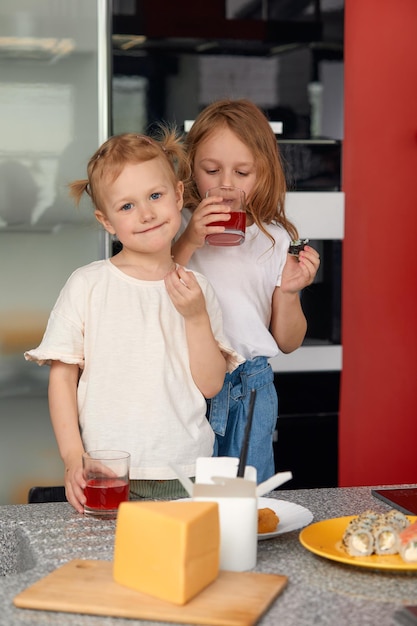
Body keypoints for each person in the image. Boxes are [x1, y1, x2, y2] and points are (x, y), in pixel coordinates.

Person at [25, 130, 243, 513]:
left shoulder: (199, 290)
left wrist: (194, 317)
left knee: (182, 570)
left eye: (155, 196)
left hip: (187, 472)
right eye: (126, 206)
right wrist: (73, 455)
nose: (145, 213)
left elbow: (211, 386)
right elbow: (62, 376)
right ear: (106, 221)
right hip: (107, 472)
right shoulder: (87, 284)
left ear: (178, 195)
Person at [172, 99, 321, 483]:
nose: (225, 184)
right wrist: (189, 238)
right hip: (185, 381)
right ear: (191, 170)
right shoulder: (177, 226)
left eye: (242, 172)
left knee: (247, 496)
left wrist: (288, 293)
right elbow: (155, 285)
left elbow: (288, 341)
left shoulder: (274, 239)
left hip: (251, 388)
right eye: (211, 170)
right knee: (183, 493)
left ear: (263, 173)